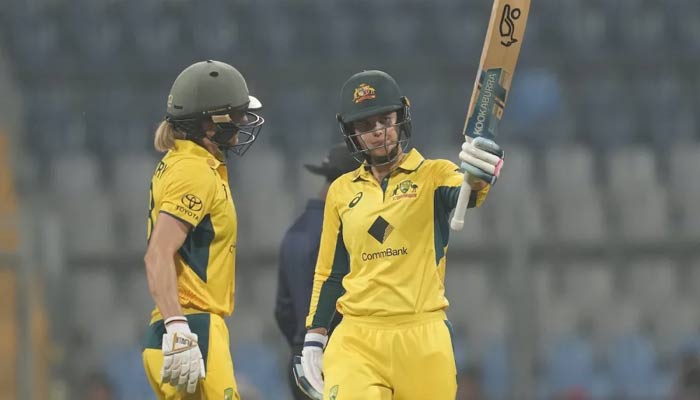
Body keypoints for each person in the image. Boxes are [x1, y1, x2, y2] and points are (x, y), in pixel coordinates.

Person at [293, 70, 505, 400]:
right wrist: (314, 337)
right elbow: (331, 271)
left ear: (400, 118)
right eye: (366, 125)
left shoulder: (434, 174)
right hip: (357, 337)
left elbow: (468, 191)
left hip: (422, 337)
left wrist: (481, 170)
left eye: (385, 120)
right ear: (352, 133)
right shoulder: (341, 191)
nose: (379, 131)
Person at [141, 60, 264, 399]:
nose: (243, 121)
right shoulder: (194, 171)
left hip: (176, 327)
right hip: (192, 327)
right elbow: (157, 254)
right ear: (209, 123)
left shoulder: (182, 163)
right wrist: (179, 327)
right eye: (235, 114)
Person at [275, 143, 360, 400]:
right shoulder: (343, 231)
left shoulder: (294, 231)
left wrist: (303, 345)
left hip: (302, 362)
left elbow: (283, 310)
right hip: (339, 360)